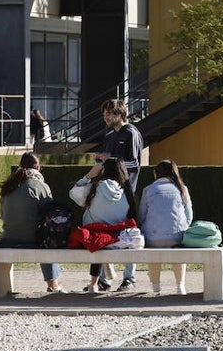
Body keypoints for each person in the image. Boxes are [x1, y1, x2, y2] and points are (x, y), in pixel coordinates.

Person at [0, 152, 62, 292]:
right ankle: (53, 284)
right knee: (48, 238)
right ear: (38, 167)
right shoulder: (41, 186)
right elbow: (50, 217)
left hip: (9, 237)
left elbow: (4, 215)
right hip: (32, 240)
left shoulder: (9, 186)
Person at [70, 157, 138, 293]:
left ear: (103, 170)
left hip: (96, 239)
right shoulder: (127, 192)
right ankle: (129, 279)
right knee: (131, 235)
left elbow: (73, 193)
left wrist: (88, 175)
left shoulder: (93, 188)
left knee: (97, 235)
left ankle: (102, 281)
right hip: (119, 238)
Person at [98, 98, 144, 290]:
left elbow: (134, 164)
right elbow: (106, 165)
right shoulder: (109, 137)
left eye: (109, 113)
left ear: (120, 113)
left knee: (129, 234)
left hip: (127, 192)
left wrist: (110, 158)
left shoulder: (131, 133)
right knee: (101, 230)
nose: (106, 117)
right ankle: (103, 279)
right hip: (107, 193)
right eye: (104, 114)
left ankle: (129, 278)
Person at [139, 159, 193, 295]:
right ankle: (180, 285)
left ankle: (156, 286)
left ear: (155, 173)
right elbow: (189, 216)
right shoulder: (182, 189)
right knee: (179, 253)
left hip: (153, 238)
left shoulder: (148, 190)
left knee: (153, 252)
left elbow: (141, 215)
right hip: (177, 237)